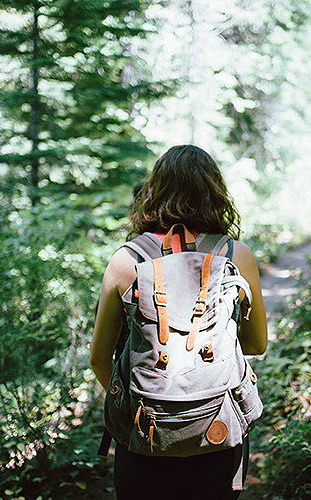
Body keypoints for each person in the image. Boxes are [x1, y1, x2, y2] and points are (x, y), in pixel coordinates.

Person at [90, 144, 268, 500]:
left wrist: (136, 404)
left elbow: (99, 357)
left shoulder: (127, 260)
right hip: (217, 428)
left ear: (154, 192)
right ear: (214, 192)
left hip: (145, 433)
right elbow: (256, 345)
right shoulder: (236, 255)